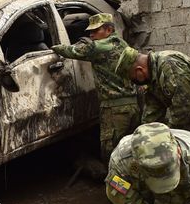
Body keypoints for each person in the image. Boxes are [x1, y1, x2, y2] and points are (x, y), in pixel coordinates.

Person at [115, 47, 190, 171]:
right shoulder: (152, 79)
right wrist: (143, 138)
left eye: (133, 79)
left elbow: (184, 104)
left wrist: (169, 137)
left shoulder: (170, 64)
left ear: (139, 70)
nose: (134, 83)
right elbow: (152, 112)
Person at [52, 13, 140, 162]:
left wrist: (53, 46)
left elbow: (69, 51)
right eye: (90, 32)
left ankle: (115, 184)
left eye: (96, 30)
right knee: (132, 150)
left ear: (109, 30)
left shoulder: (96, 48)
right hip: (133, 106)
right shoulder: (123, 44)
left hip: (114, 110)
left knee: (112, 154)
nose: (91, 35)